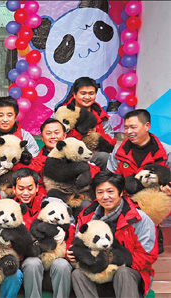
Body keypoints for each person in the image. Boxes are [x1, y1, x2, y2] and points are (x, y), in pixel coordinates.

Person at [69, 171, 158, 297]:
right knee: (77, 274)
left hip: (129, 271)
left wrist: (110, 265)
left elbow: (147, 255)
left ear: (121, 192)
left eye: (110, 191)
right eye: (100, 192)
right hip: (97, 271)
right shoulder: (87, 216)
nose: (105, 196)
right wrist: (72, 254)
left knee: (123, 273)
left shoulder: (139, 219)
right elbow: (78, 242)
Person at [107, 109, 171, 253]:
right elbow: (110, 178)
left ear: (147, 126)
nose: (129, 131)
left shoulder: (166, 152)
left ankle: (155, 234)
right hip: (126, 200)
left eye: (133, 127)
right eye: (126, 127)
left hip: (155, 202)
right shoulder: (118, 152)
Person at [12, 169, 73, 298]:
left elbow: (69, 224)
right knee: (32, 262)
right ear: (14, 189)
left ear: (37, 188)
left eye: (30, 188)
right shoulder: (10, 208)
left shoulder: (49, 204)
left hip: (52, 259)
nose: (26, 193)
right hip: (28, 263)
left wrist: (65, 232)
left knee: (62, 264)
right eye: (21, 188)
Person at [57, 77, 116, 169]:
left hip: (92, 156)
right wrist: (80, 134)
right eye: (83, 93)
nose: (87, 97)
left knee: (105, 157)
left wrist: (97, 134)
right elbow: (55, 138)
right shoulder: (62, 113)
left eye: (91, 93)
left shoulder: (101, 115)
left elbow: (111, 142)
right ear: (74, 94)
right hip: (69, 156)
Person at [0, 96, 39, 179]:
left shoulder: (25, 137)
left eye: (9, 115)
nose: (5, 119)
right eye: (0, 115)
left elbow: (36, 165)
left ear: (15, 116)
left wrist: (13, 167)